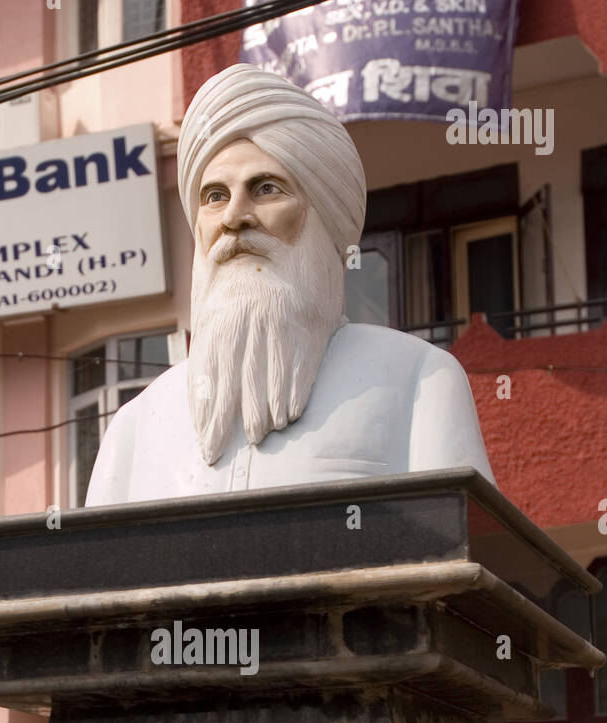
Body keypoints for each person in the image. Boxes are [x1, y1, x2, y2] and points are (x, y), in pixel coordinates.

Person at [86, 64, 495, 507]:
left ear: (324, 222)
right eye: (215, 196)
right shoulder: (134, 426)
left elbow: (465, 557)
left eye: (266, 189)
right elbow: (93, 574)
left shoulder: (420, 379)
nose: (233, 217)